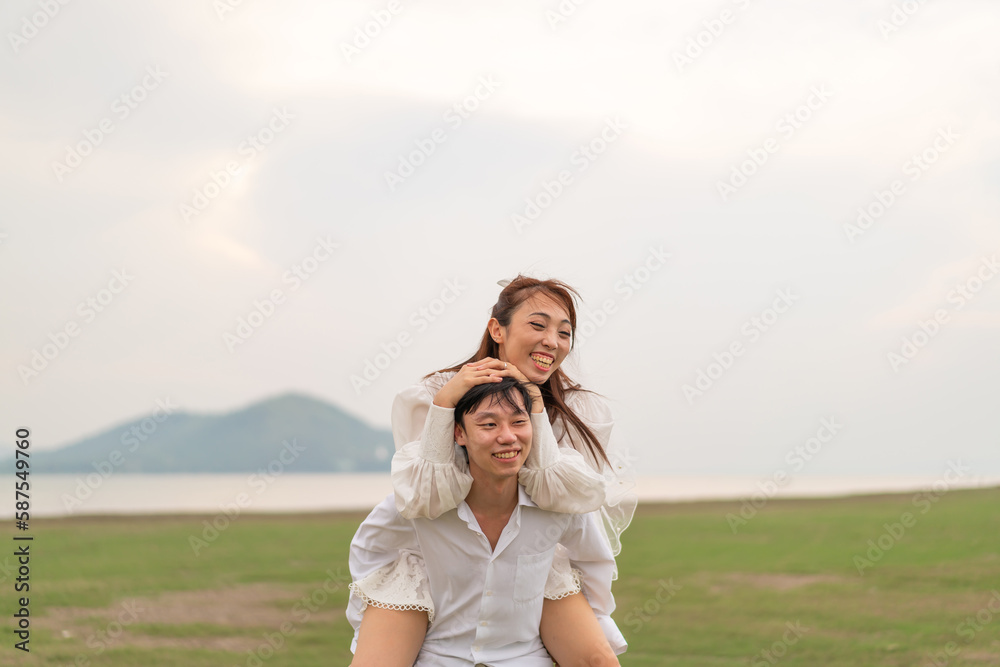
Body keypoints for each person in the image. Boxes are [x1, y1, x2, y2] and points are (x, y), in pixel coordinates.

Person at [351, 275, 636, 665]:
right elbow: (428, 494)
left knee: (597, 658)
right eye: (537, 325)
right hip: (437, 552)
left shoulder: (578, 412)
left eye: (565, 332)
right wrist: (445, 403)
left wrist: (535, 410)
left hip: (531, 555)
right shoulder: (435, 394)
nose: (552, 341)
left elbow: (569, 500)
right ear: (496, 329)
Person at [347, 377, 623, 666]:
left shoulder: (556, 504)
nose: (507, 437)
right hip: (440, 657)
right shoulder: (425, 503)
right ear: (459, 434)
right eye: (489, 425)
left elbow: (594, 560)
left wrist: (592, 620)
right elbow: (369, 549)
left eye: (519, 422)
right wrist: (383, 611)